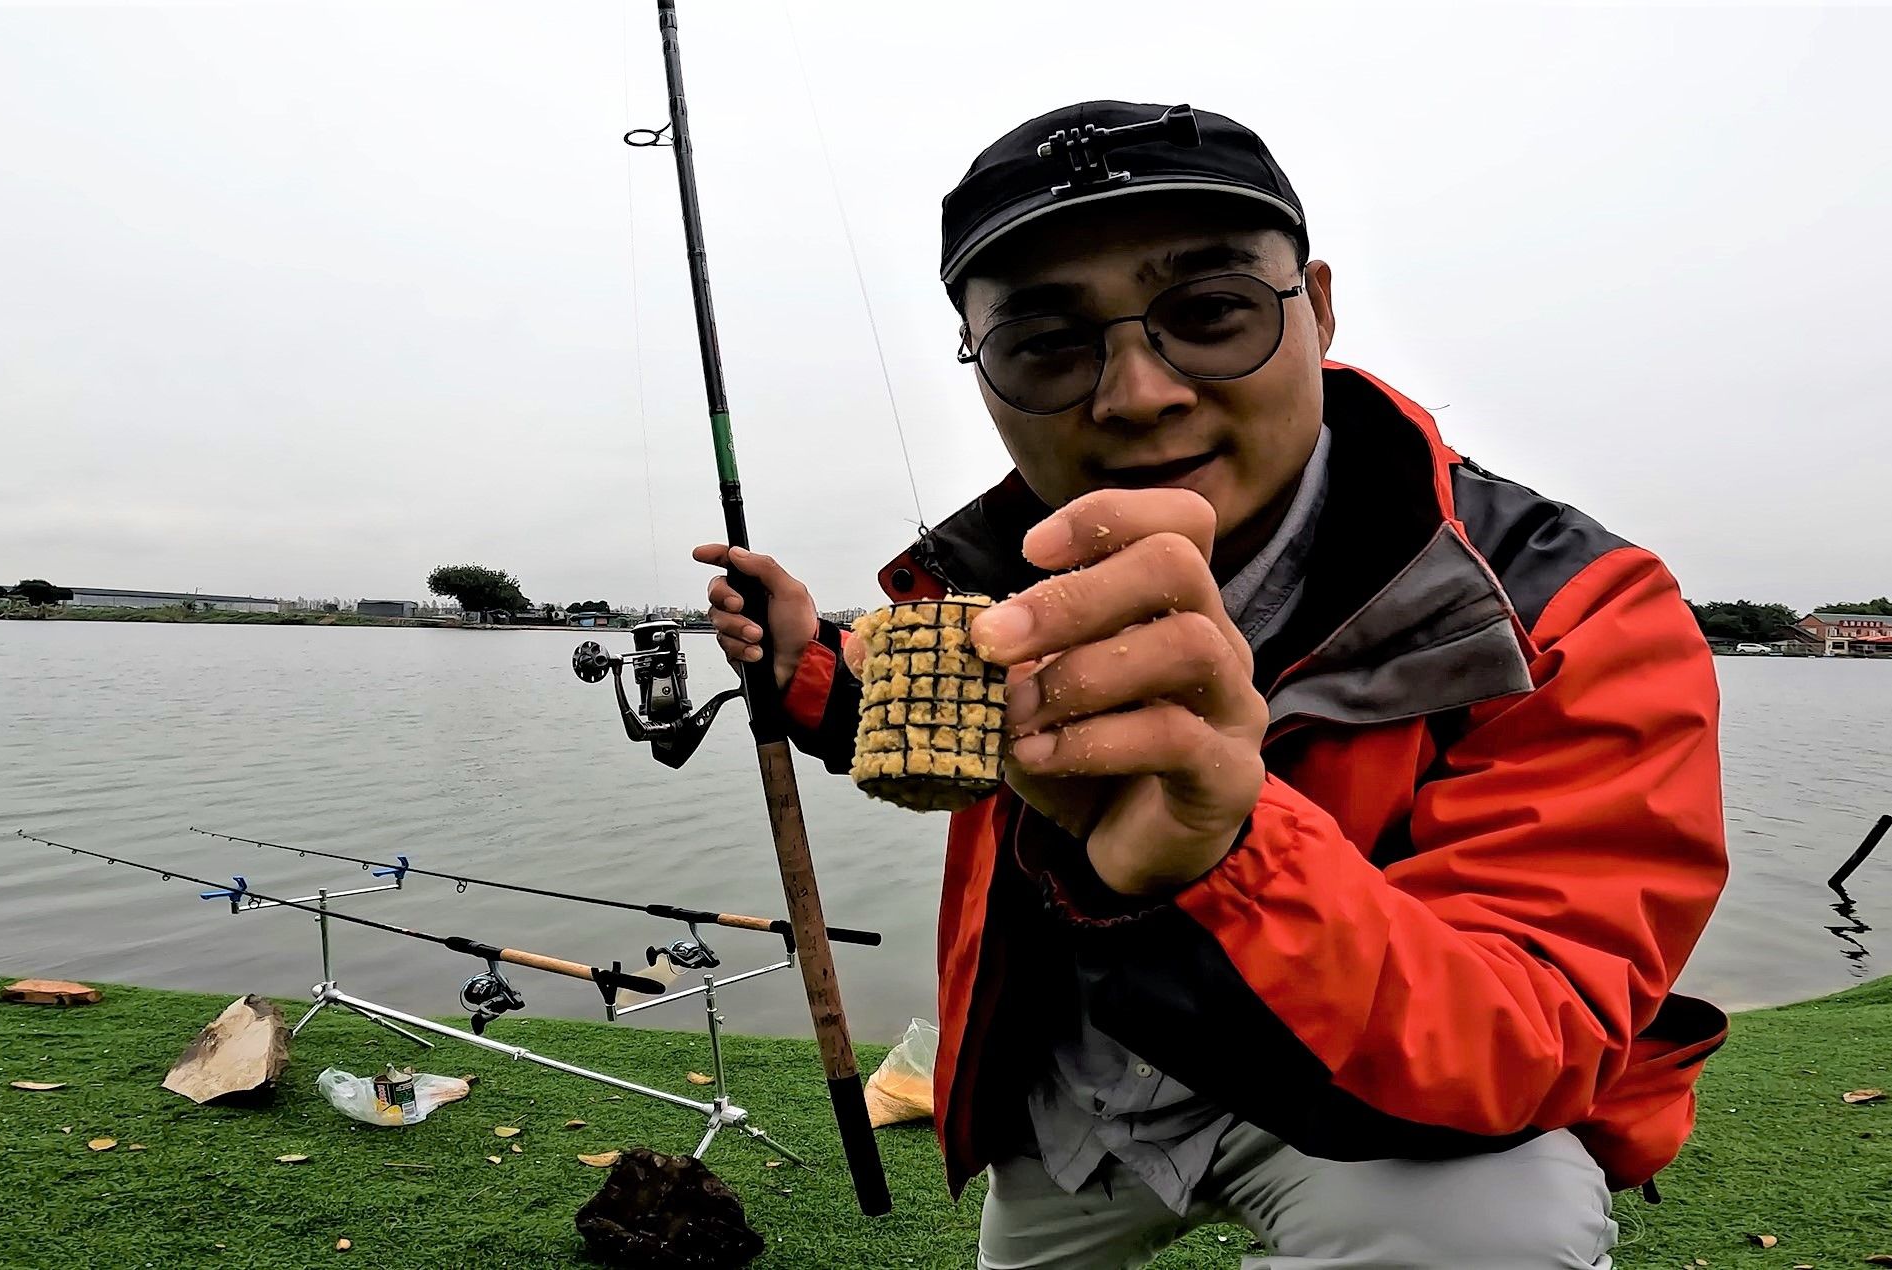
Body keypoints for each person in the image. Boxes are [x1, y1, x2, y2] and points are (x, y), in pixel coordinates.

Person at [695, 101, 1728, 1269]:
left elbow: (1531, 1029)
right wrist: (805, 670)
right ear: (984, 373)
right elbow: (935, 743)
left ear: (1318, 307)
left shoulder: (1572, 609)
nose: (1138, 393)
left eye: (1211, 311)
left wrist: (1225, 852)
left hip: (1371, 1108)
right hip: (1072, 1089)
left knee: (1496, 1227)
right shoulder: (979, 587)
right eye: (1045, 341)